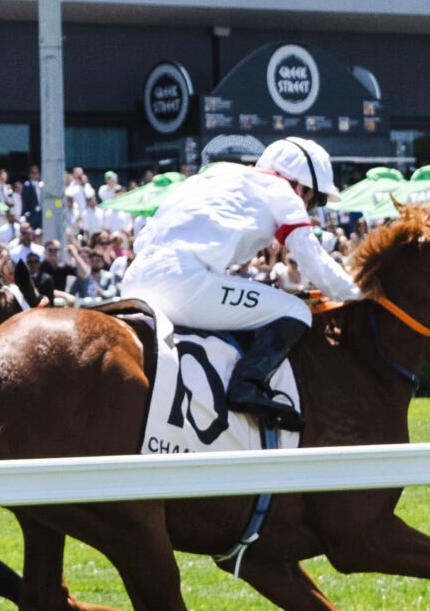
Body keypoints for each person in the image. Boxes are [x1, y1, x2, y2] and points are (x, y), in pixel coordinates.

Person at [116, 137, 361, 433]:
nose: (312, 209)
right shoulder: (282, 191)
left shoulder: (216, 176)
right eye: (317, 200)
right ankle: (246, 386)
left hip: (134, 280)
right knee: (297, 311)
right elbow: (312, 260)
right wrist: (358, 291)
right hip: (181, 284)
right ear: (300, 186)